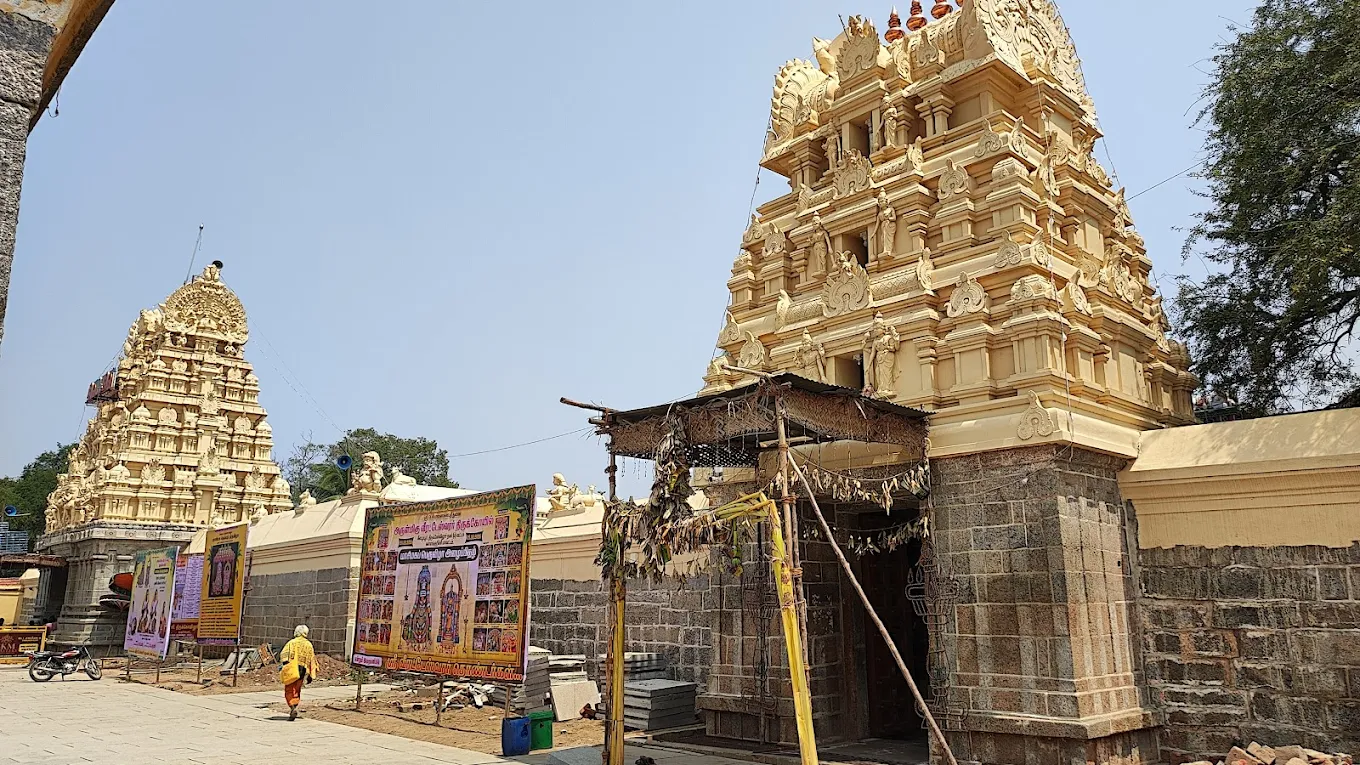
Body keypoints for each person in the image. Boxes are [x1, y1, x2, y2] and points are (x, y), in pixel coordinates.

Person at [279, 624, 319, 721]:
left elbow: (283, 656)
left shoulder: (291, 643)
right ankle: (295, 705)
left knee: (289, 689)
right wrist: (310, 675)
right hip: (302, 670)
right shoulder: (308, 644)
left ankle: (292, 707)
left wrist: (284, 667)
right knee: (297, 689)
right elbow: (312, 660)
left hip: (292, 669)